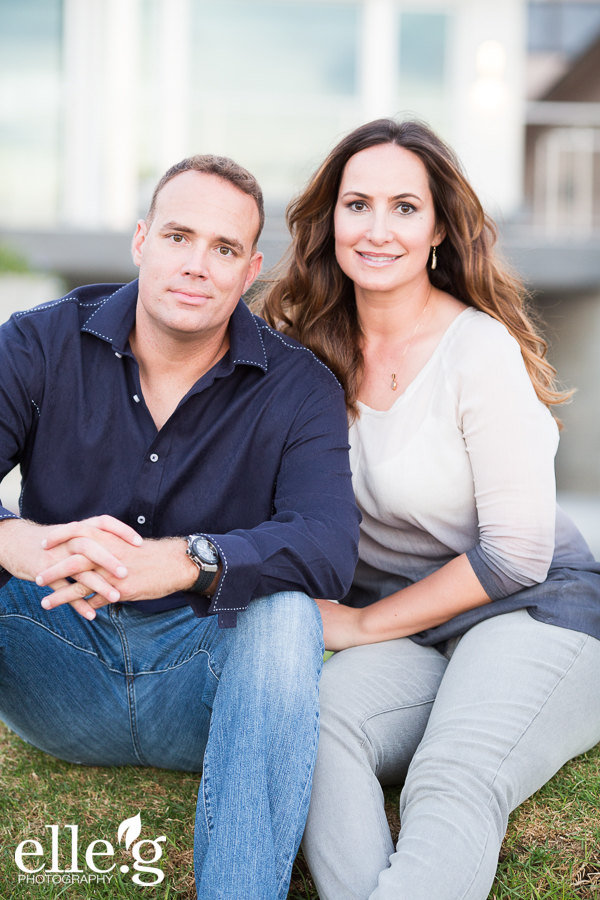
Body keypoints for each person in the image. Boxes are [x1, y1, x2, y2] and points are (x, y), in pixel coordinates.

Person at [0, 154, 360, 899]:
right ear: (141, 241)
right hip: (53, 655)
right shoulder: (38, 343)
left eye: (224, 249)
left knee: (288, 612)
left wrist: (190, 561)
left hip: (204, 684)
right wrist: (24, 543)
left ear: (251, 268)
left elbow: (329, 546)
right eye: (178, 236)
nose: (197, 264)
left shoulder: (300, 389)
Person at [259, 118, 600, 899]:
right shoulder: (298, 351)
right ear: (329, 221)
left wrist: (360, 626)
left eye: (405, 208)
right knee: (315, 725)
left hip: (537, 609)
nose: (378, 229)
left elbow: (517, 553)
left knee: (452, 772)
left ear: (439, 228)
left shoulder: (477, 349)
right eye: (358, 205)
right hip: (420, 631)